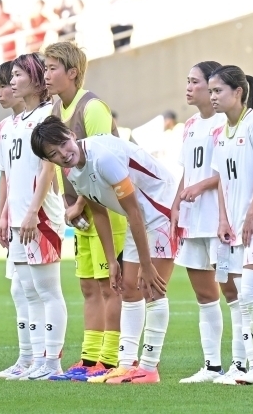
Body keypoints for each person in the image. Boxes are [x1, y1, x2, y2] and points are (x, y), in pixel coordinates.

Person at [31, 117, 178, 384]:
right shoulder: (72, 172)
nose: (64, 154)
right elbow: (99, 211)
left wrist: (146, 264)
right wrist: (112, 261)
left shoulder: (104, 157)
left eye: (63, 144)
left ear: (71, 134)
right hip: (139, 218)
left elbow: (133, 209)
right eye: (54, 154)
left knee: (152, 288)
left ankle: (149, 367)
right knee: (129, 289)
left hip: (161, 210)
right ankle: (126, 365)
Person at [41, 41, 127, 382]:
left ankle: (109, 360)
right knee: (89, 287)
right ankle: (89, 359)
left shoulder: (92, 108)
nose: (45, 75)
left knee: (111, 286)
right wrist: (67, 203)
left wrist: (78, 203)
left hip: (108, 210)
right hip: (81, 212)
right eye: (45, 68)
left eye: (51, 68)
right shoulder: (55, 110)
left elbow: (105, 164)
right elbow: (59, 166)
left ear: (72, 73)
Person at [172, 60, 249, 384]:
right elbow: (186, 171)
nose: (189, 87)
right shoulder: (190, 125)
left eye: (195, 82)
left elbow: (226, 173)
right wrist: (175, 205)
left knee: (233, 292)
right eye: (187, 81)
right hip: (193, 220)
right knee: (205, 295)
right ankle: (212, 365)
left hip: (220, 219)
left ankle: (243, 363)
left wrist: (200, 187)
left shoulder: (226, 124)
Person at [208, 65, 253, 384]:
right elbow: (221, 180)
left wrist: (251, 214)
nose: (212, 97)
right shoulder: (219, 132)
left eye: (217, 91)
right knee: (238, 298)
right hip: (233, 228)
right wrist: (224, 219)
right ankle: (244, 366)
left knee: (250, 296)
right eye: (210, 91)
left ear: (238, 92)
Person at [7, 53, 67, 380]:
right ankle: (32, 359)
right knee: (28, 291)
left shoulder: (47, 115)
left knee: (47, 290)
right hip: (20, 217)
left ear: (33, 77)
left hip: (39, 216)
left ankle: (52, 362)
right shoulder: (19, 120)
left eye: (17, 75)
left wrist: (33, 211)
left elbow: (48, 168)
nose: (12, 81)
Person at [0, 60, 29, 379]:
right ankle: (26, 357)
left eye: (6, 83)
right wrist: (0, 214)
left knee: (34, 287)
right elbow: (5, 176)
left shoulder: (40, 121)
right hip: (13, 217)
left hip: (34, 217)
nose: (1, 92)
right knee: (18, 288)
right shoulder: (4, 128)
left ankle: (42, 357)